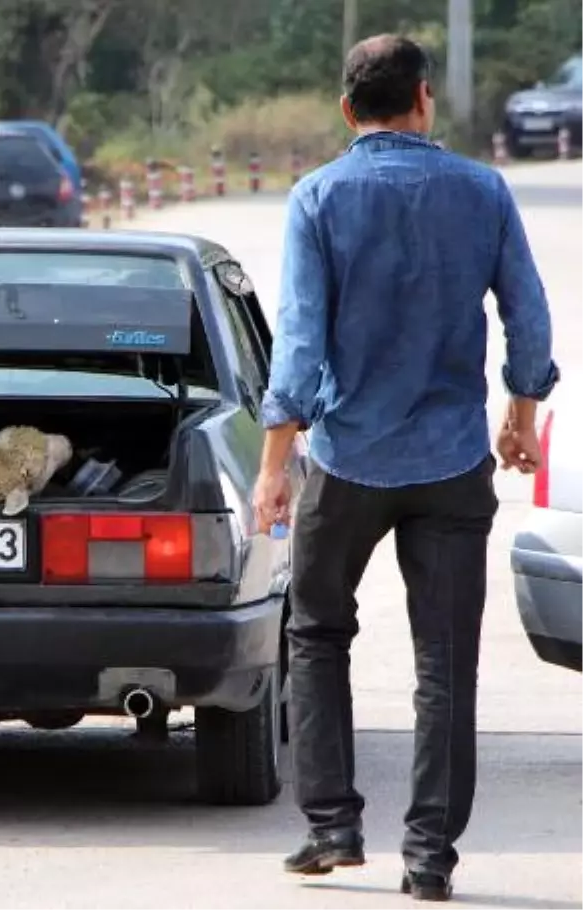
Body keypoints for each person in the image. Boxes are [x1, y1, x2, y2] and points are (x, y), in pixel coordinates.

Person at [251, 34, 558, 903]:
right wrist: (521, 416)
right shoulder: (483, 190)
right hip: (455, 463)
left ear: (350, 111)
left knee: (316, 635)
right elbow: (528, 321)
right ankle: (430, 857)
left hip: (348, 463)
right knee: (446, 661)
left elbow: (301, 347)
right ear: (425, 99)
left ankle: (332, 829)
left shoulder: (317, 198)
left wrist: (277, 465)